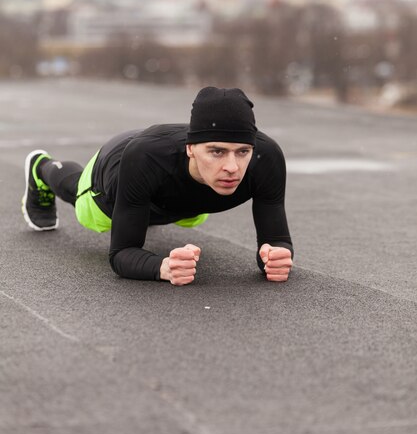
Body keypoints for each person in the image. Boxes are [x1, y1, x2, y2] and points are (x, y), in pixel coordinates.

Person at [21, 86, 293, 285]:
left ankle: (140, 209)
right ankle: (41, 168)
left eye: (242, 152)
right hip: (120, 168)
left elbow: (277, 241)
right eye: (217, 152)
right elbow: (122, 254)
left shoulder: (265, 159)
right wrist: (162, 267)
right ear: (191, 149)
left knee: (185, 215)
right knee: (87, 210)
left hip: (176, 194)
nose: (233, 167)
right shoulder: (145, 160)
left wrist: (275, 257)